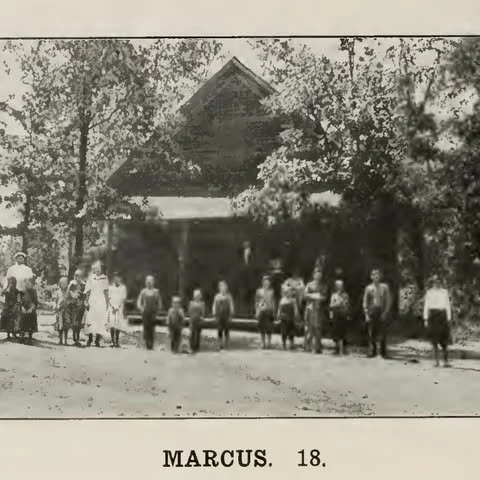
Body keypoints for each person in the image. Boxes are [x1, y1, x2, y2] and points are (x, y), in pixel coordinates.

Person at [423, 274, 452, 367]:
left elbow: (448, 305)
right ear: (433, 282)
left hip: (442, 315)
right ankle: (436, 361)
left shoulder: (445, 292)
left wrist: (449, 318)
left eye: (438, 281)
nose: (437, 283)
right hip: (433, 316)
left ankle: (446, 361)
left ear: (440, 282)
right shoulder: (429, 292)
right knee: (434, 339)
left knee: (444, 340)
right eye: (435, 281)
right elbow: (426, 306)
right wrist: (426, 319)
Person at [363, 268, 392, 358]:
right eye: (374, 275)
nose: (376, 277)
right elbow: (365, 302)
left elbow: (388, 301)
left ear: (380, 276)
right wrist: (366, 314)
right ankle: (372, 351)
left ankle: (383, 352)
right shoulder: (368, 288)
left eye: (377, 275)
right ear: (371, 277)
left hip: (381, 310)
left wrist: (385, 312)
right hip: (372, 310)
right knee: (371, 332)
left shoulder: (384, 287)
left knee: (383, 332)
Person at [84, 261, 109, 347]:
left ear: (102, 269)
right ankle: (90, 339)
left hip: (101, 301)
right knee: (91, 319)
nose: (97, 270)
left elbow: (106, 292)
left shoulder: (105, 278)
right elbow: (87, 291)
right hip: (92, 300)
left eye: (99, 268)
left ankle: (97, 340)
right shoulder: (91, 278)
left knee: (100, 320)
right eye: (95, 268)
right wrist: (86, 301)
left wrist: (107, 303)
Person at [304, 268, 328, 353]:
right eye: (316, 273)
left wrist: (317, 296)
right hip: (310, 308)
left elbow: (324, 297)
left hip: (318, 309)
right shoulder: (309, 284)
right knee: (308, 328)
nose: (318, 275)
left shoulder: (323, 285)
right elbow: (305, 295)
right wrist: (315, 296)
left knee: (317, 328)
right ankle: (307, 346)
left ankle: (317, 347)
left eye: (320, 274)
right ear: (313, 275)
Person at [136, 275, 162, 350]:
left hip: (153, 313)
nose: (149, 283)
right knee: (146, 328)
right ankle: (146, 344)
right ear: (146, 282)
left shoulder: (156, 292)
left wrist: (158, 311)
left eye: (150, 281)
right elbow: (138, 301)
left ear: (153, 282)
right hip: (145, 313)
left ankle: (151, 344)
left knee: (152, 328)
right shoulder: (143, 291)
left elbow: (159, 303)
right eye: (148, 281)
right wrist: (141, 308)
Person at [212, 280, 234, 350]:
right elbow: (214, 306)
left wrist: (231, 315)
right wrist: (214, 313)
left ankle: (227, 343)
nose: (223, 288)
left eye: (224, 287)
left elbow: (231, 306)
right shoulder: (217, 296)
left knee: (227, 330)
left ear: (226, 288)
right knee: (219, 330)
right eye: (221, 287)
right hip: (219, 316)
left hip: (226, 316)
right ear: (219, 288)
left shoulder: (229, 296)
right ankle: (220, 344)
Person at [329, 279, 350, 355]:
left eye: (341, 285)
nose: (339, 287)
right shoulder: (333, 295)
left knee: (342, 333)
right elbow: (331, 306)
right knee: (335, 333)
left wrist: (347, 314)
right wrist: (331, 316)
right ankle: (336, 348)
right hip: (335, 315)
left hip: (343, 315)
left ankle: (342, 350)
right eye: (338, 285)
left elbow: (346, 305)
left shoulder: (345, 295)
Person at [107, 272, 128, 348]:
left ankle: (117, 341)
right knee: (112, 324)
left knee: (118, 325)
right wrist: (112, 306)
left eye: (118, 278)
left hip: (119, 308)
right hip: (112, 308)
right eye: (115, 278)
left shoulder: (123, 288)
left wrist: (118, 306)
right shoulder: (111, 288)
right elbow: (109, 298)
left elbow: (123, 299)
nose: (117, 279)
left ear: (120, 279)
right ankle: (113, 341)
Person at [255, 275, 276, 349]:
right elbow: (257, 302)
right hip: (262, 310)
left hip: (269, 310)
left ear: (269, 283)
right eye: (265, 281)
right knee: (262, 328)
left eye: (268, 282)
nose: (267, 283)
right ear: (263, 282)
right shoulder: (259, 291)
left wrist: (274, 310)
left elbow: (273, 302)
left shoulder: (271, 291)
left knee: (269, 328)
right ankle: (263, 343)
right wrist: (257, 311)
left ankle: (269, 343)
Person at [67, 269, 86, 347]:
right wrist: (73, 294)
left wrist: (81, 294)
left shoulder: (83, 284)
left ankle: (77, 338)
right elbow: (68, 292)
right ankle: (75, 339)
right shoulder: (72, 283)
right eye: (76, 276)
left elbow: (86, 293)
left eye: (79, 276)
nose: (78, 277)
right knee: (74, 321)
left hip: (80, 304)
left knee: (79, 322)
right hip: (74, 304)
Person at [277, 284, 299, 350]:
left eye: (288, 292)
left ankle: (291, 344)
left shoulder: (293, 300)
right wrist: (278, 315)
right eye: (286, 292)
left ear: (290, 292)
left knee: (291, 332)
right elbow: (279, 308)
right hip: (284, 318)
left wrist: (296, 315)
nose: (287, 293)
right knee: (283, 332)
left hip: (291, 318)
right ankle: (284, 344)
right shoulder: (282, 300)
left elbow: (295, 308)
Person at [0, 277, 22, 341]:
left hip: (14, 307)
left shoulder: (16, 290)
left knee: (14, 321)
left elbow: (19, 297)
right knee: (7, 320)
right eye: (10, 282)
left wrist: (17, 304)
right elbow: (2, 295)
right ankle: (8, 335)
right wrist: (6, 289)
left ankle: (14, 334)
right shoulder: (6, 290)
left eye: (12, 282)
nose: (11, 284)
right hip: (7, 307)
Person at [19, 278, 38, 345]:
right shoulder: (22, 291)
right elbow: (20, 301)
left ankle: (30, 339)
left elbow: (35, 302)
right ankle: (22, 337)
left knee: (31, 324)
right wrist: (22, 307)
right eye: (26, 283)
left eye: (29, 283)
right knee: (22, 323)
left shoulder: (34, 291)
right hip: (24, 308)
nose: (28, 284)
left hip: (31, 309)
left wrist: (32, 308)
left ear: (32, 284)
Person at [188, 289, 205, 353]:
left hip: (199, 320)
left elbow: (203, 312)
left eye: (198, 295)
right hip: (192, 320)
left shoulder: (202, 303)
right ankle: (191, 347)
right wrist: (191, 318)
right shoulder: (191, 303)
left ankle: (197, 347)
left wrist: (202, 316)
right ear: (194, 296)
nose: (197, 296)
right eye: (196, 295)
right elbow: (189, 311)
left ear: (200, 296)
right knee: (192, 334)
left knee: (198, 334)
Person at [54, 276, 69, 345]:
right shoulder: (58, 292)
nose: (63, 285)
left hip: (66, 310)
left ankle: (65, 340)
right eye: (62, 283)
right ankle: (60, 340)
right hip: (60, 310)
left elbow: (70, 300)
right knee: (60, 325)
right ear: (60, 284)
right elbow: (56, 301)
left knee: (66, 326)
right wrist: (56, 307)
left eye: (65, 283)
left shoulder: (68, 292)